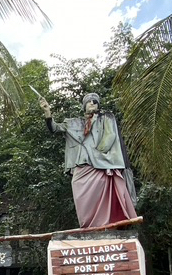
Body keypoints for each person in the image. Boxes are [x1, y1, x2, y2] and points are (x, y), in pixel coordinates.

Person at [38, 91, 138, 228]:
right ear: (84, 105)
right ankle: (89, 227)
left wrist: (98, 154)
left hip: (99, 166)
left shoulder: (105, 118)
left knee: (103, 196)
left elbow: (110, 136)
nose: (92, 103)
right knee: (81, 198)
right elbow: (55, 128)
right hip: (81, 167)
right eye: (89, 101)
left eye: (95, 101)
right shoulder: (72, 123)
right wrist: (47, 112)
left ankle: (106, 225)